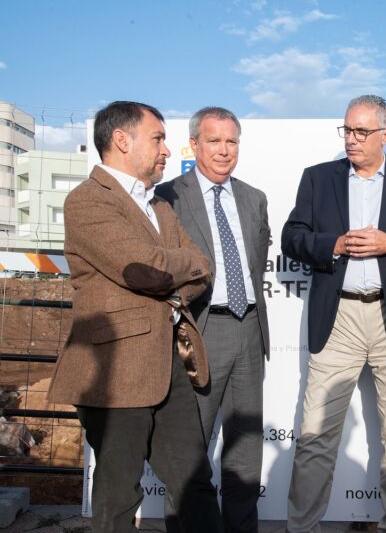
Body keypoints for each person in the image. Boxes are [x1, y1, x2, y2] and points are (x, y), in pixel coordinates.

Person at [48, 101, 222, 533]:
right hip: (115, 372)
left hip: (170, 367)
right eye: (158, 138)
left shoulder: (160, 206)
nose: (167, 149)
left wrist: (174, 270)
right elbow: (144, 270)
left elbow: (205, 267)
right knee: (118, 493)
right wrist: (177, 268)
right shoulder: (88, 201)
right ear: (122, 141)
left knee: (195, 483)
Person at [281, 95, 386, 533]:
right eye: (347, 130)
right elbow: (292, 238)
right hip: (339, 320)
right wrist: (332, 244)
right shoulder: (318, 180)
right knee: (316, 433)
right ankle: (302, 527)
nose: (351, 140)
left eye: (361, 132)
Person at [156, 106, 270, 533]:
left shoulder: (254, 198)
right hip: (198, 335)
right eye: (214, 141)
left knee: (246, 454)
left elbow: (257, 262)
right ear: (194, 145)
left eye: (231, 141)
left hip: (250, 330)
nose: (224, 151)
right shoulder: (167, 197)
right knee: (189, 453)